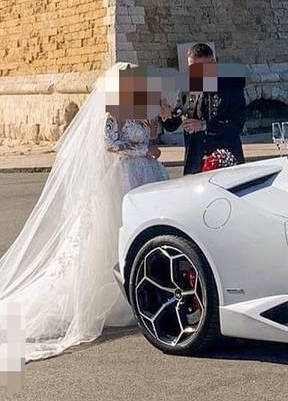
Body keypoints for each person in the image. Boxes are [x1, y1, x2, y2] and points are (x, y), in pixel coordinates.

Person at [0, 64, 170, 361]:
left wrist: (156, 117)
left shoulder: (138, 109)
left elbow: (152, 134)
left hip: (146, 176)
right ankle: (118, 296)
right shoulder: (111, 112)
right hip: (123, 179)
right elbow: (108, 145)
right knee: (112, 238)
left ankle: (148, 287)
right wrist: (142, 151)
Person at [160, 43, 246, 175]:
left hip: (225, 161)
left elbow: (236, 126)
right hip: (195, 163)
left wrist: (203, 125)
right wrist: (166, 115)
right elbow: (173, 124)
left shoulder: (232, 87)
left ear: (213, 63)